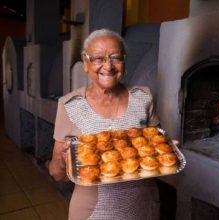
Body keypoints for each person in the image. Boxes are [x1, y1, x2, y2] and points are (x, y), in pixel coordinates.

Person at [49, 28, 160, 220]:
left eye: (115, 57)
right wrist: (61, 160)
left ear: (124, 61)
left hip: (142, 205)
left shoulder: (143, 97)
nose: (108, 66)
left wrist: (165, 149)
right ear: (85, 63)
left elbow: (155, 145)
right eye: (98, 58)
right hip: (95, 211)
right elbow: (56, 173)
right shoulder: (69, 105)